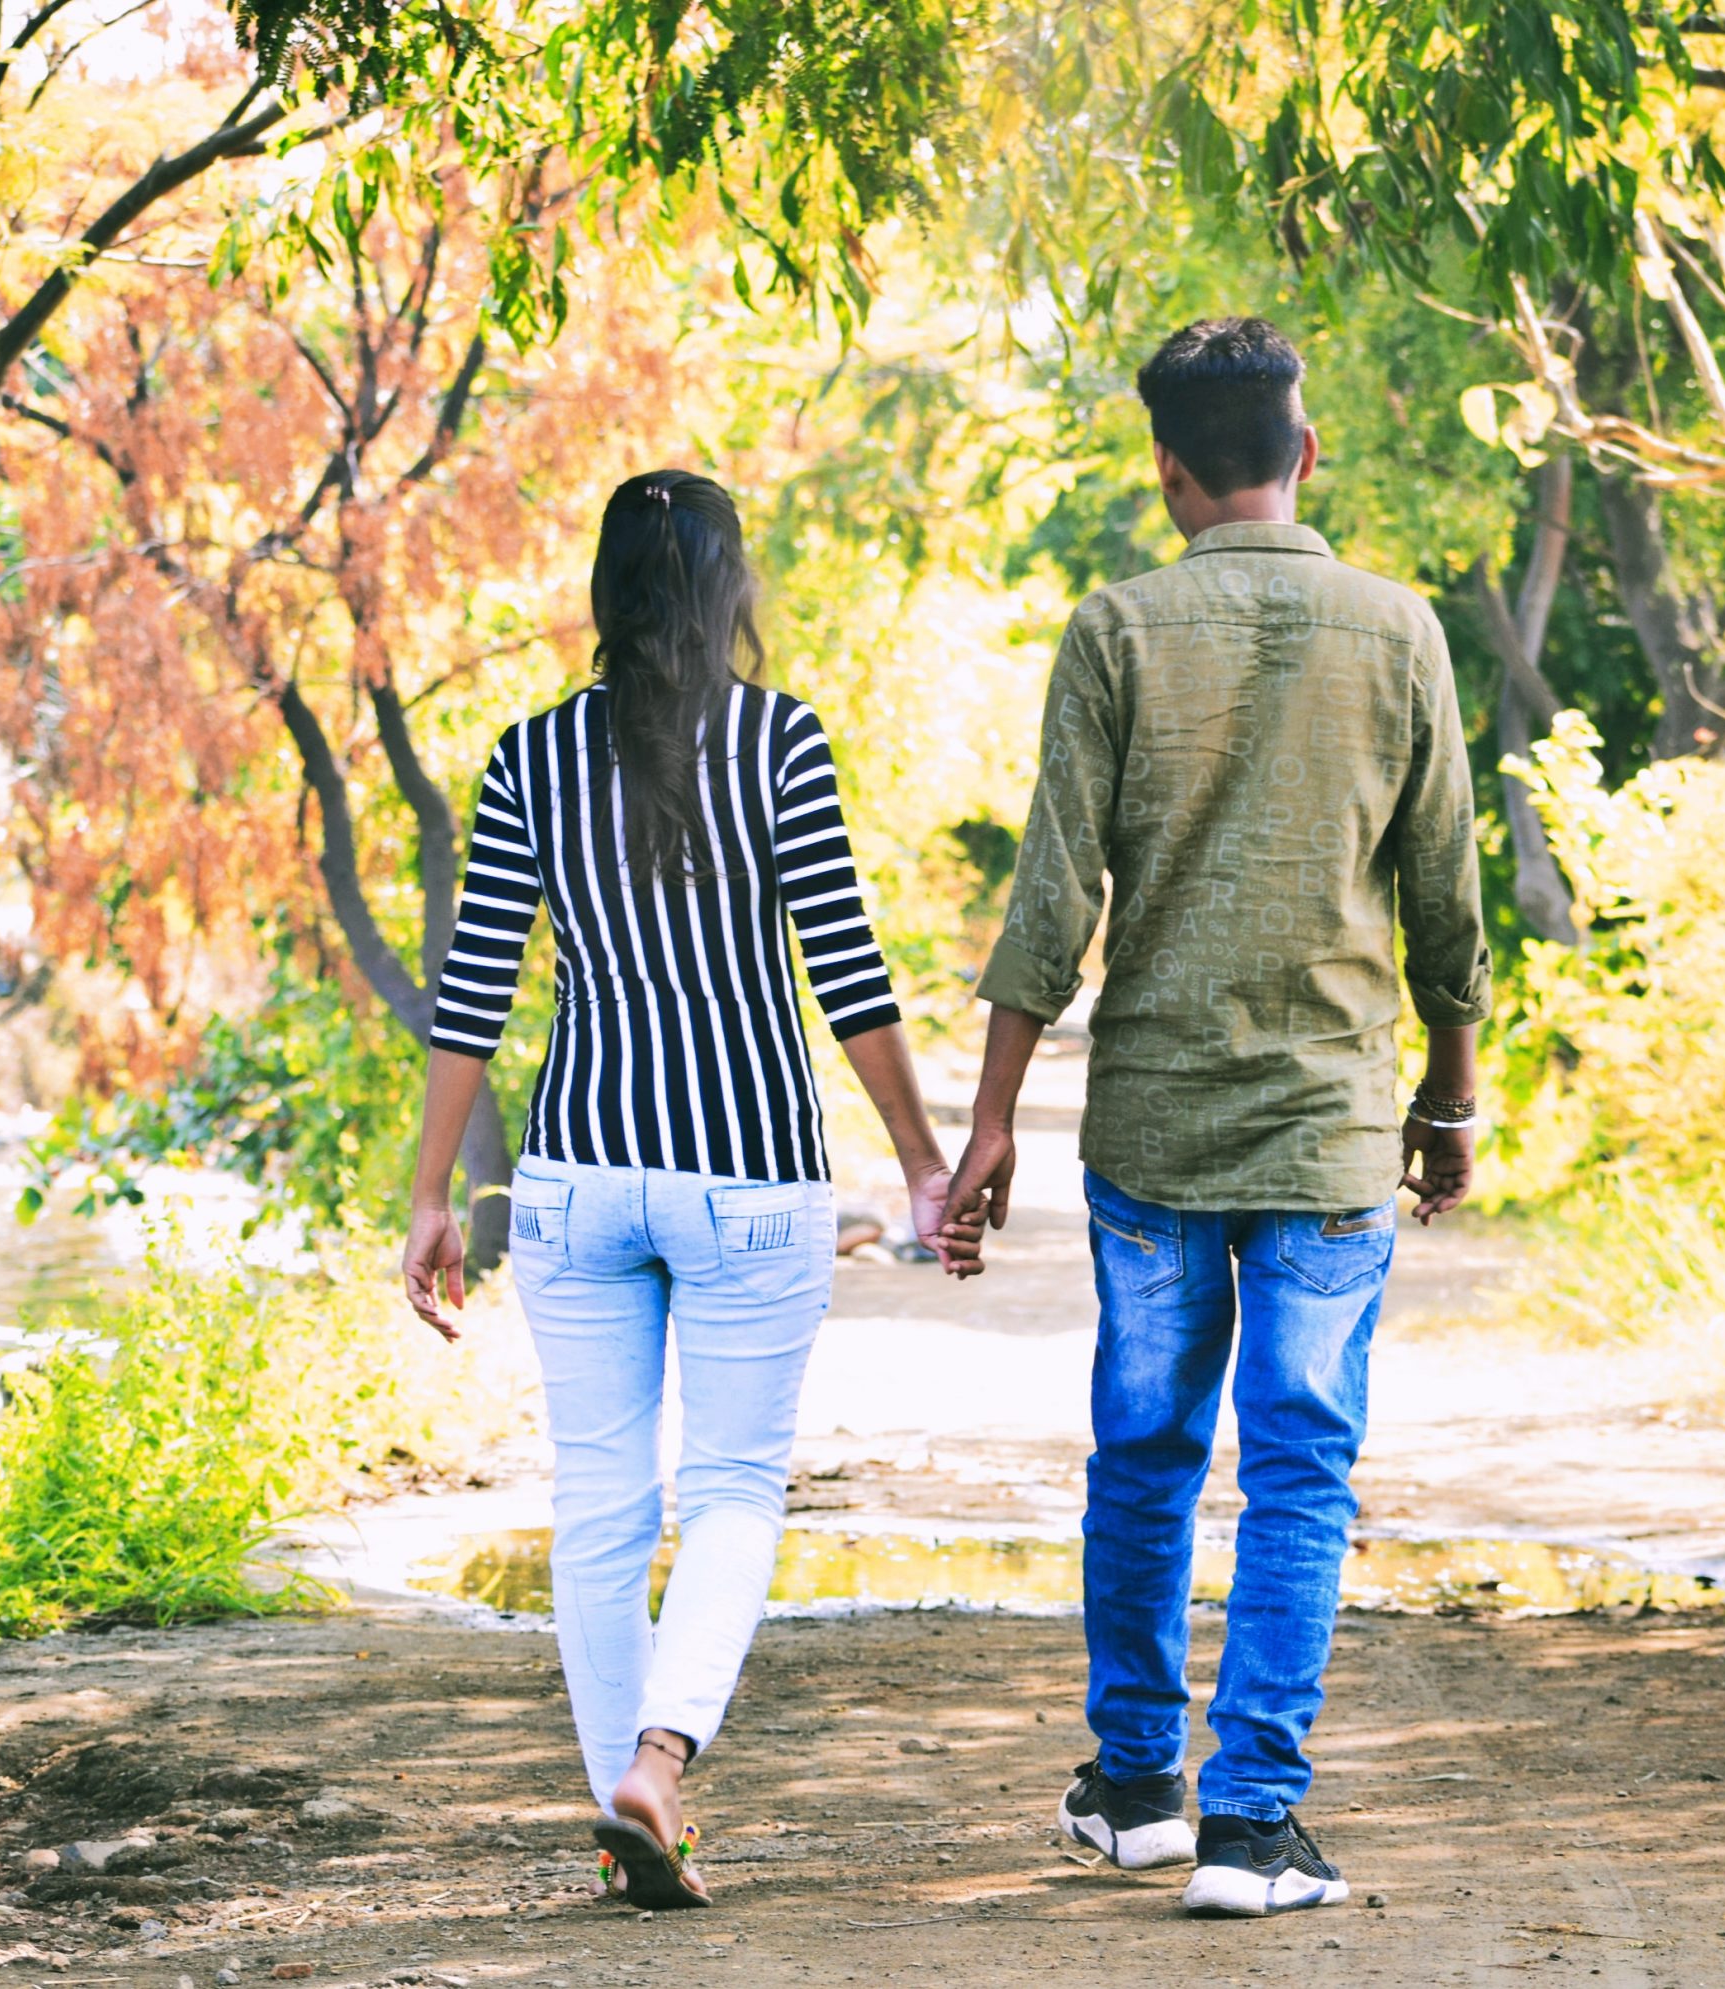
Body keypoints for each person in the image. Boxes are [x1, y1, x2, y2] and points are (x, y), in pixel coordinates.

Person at [943, 319, 1491, 1917]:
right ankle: (1252, 1829)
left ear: (1167, 470)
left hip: (1156, 1130)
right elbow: (1447, 903)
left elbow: (1052, 903)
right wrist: (1449, 1106)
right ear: (1306, 451)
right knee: (1303, 1464)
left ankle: (1134, 1788)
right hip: (1328, 1132)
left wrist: (990, 1126)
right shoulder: (1401, 633)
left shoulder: (1112, 630)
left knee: (1147, 1453)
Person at [402, 469, 980, 1909]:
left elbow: (472, 997)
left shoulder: (530, 756)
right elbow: (847, 970)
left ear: (606, 595)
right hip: (750, 1176)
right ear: (730, 593)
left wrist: (427, 1197)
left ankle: (628, 1815)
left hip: (576, 1177)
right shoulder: (778, 742)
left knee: (599, 1501)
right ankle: (655, 1768)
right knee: (728, 1489)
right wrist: (921, 1156)